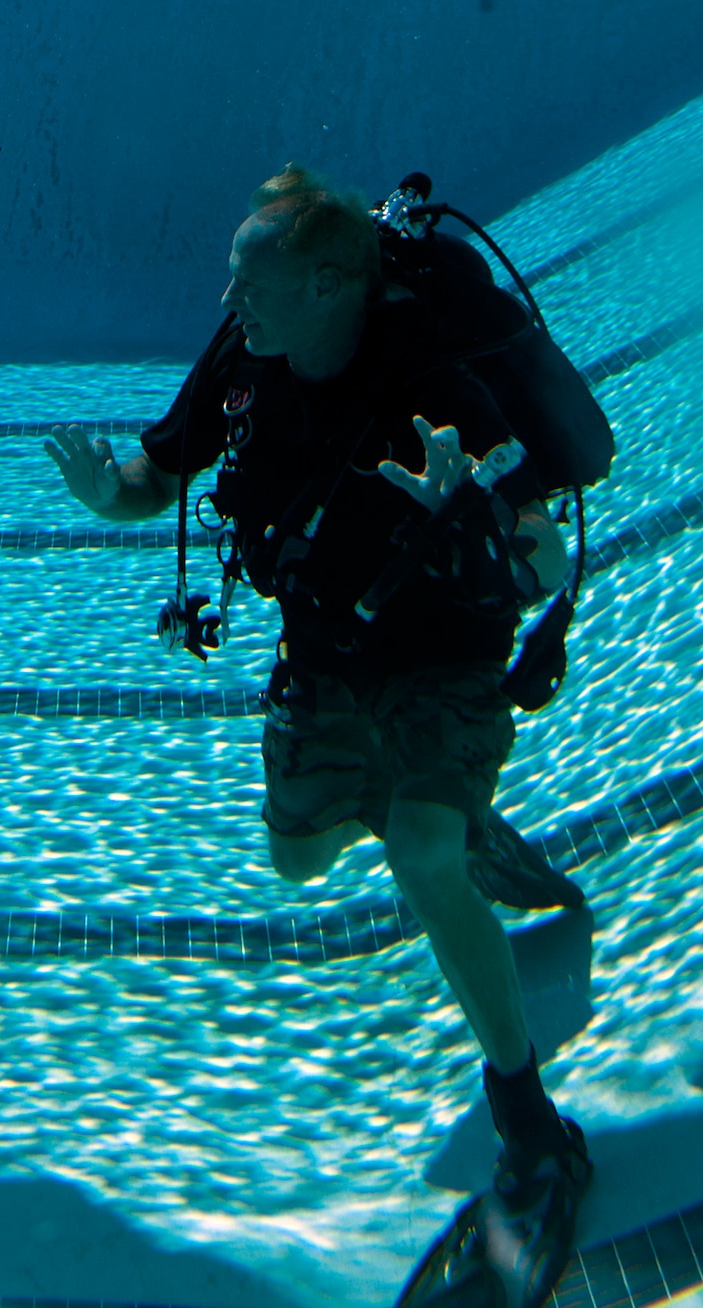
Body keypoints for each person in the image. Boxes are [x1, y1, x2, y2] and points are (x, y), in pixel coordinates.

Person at [47, 165, 587, 1306]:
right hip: (322, 661)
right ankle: (459, 818)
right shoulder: (246, 360)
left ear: (335, 283)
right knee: (297, 855)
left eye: (251, 284)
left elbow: (541, 555)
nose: (229, 306)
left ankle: (531, 1125)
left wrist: (472, 519)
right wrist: (109, 491)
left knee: (418, 852)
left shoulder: (432, 380)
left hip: (442, 659)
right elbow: (157, 473)